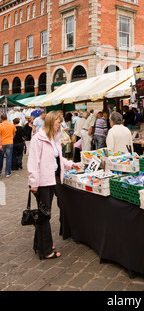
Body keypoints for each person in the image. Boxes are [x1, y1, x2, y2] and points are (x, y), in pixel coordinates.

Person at [27, 110, 82, 260]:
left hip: (53, 179)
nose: (60, 125)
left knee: (43, 214)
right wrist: (33, 183)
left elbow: (59, 159)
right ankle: (45, 251)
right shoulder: (38, 139)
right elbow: (33, 162)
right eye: (58, 122)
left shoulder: (54, 138)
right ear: (52, 122)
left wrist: (71, 164)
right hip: (43, 182)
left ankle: (39, 244)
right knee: (45, 216)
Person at [0, 113, 16, 178]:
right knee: (8, 158)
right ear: (7, 118)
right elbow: (14, 133)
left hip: (2, 143)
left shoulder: (0, 125)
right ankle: (7, 173)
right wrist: (11, 138)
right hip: (10, 142)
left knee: (0, 158)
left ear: (1, 119)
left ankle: (0, 171)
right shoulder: (12, 125)